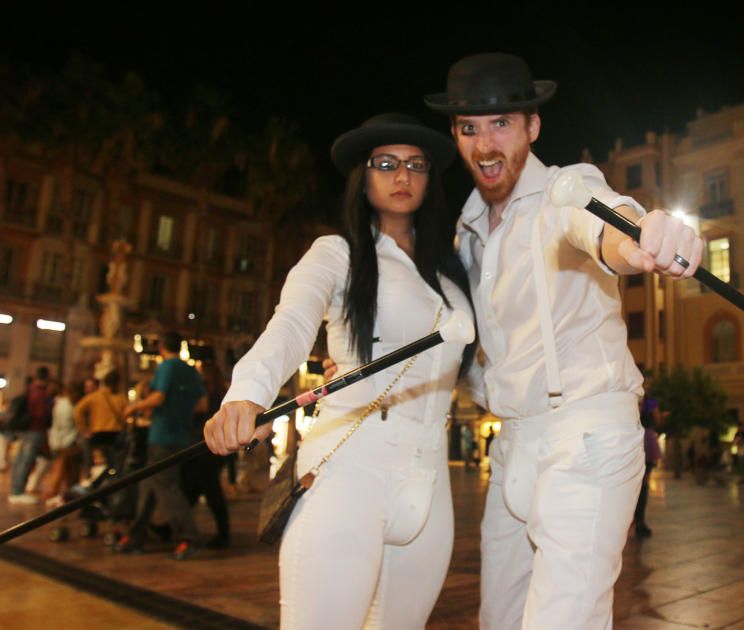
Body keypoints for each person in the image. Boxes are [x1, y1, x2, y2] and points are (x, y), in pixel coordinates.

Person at [425, 52, 703, 628]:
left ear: (533, 126)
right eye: (469, 128)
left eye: (502, 123)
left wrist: (643, 234)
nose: (485, 144)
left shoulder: (564, 189)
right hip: (512, 448)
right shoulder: (467, 231)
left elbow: (602, 223)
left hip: (586, 437)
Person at [204, 113, 475, 628]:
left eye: (416, 165)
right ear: (363, 175)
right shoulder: (338, 254)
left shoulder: (451, 270)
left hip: (429, 481)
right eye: (387, 164)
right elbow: (290, 323)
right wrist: (247, 394)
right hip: (348, 469)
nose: (403, 176)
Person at [115, 331, 207, 559]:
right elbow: (202, 405)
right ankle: (136, 535)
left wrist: (133, 407)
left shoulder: (167, 367)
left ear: (161, 348)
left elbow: (158, 398)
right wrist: (182, 413)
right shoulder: (190, 370)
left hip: (162, 434)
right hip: (181, 435)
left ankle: (188, 537)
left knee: (166, 487)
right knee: (151, 484)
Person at [181, 358, 231, 549]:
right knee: (197, 487)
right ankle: (180, 527)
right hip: (213, 447)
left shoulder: (206, 393)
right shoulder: (222, 393)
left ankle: (222, 533)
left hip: (205, 446)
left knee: (209, 489)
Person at [9, 367, 54, 504]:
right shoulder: (40, 393)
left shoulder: (30, 389)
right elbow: (40, 414)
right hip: (35, 430)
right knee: (26, 462)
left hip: (27, 430)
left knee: (21, 461)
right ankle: (18, 492)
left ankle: (15, 490)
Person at [73, 370, 127, 471]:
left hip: (98, 434)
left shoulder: (95, 396)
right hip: (115, 434)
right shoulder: (121, 397)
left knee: (100, 464)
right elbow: (126, 414)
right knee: (114, 464)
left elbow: (77, 410)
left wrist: (83, 429)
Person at [634, 392, 662, 537]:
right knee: (644, 485)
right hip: (647, 441)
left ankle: (634, 520)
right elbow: (657, 420)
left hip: (633, 439)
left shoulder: (631, 398)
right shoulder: (650, 402)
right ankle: (640, 521)